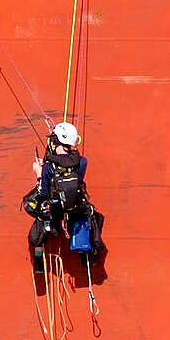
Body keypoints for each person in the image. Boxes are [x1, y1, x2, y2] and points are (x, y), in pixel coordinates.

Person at [21, 121, 105, 284]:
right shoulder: (82, 162)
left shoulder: (49, 168)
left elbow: (43, 193)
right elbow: (78, 180)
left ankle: (39, 261)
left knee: (37, 233)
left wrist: (39, 173)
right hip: (74, 208)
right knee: (91, 216)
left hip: (54, 210)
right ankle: (86, 257)